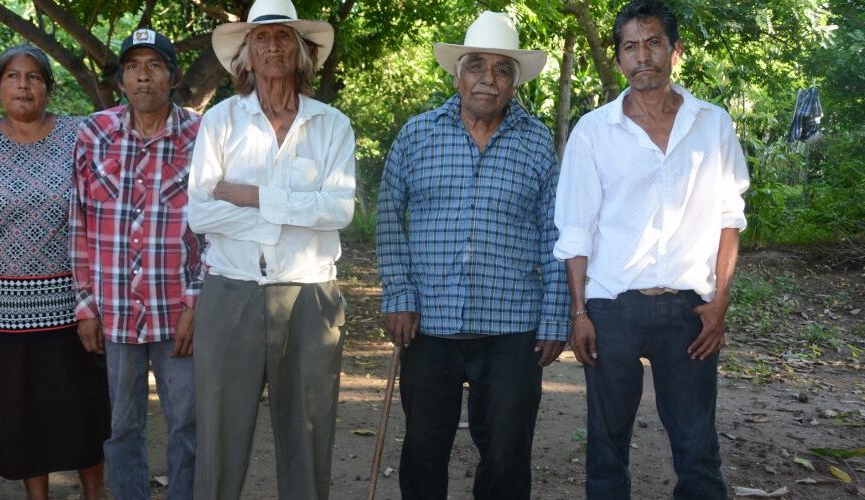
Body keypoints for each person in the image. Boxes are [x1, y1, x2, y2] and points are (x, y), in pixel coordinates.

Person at [553, 1, 750, 498]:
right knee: (606, 447)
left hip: (690, 311)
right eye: (631, 46)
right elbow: (575, 231)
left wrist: (720, 302)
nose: (643, 56)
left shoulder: (713, 125)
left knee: (698, 448)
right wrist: (579, 312)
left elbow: (729, 218)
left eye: (654, 43)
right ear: (620, 58)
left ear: (675, 51)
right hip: (612, 309)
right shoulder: (593, 132)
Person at [375, 11, 569, 500]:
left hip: (512, 326)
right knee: (423, 448)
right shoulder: (417, 134)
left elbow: (554, 232)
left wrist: (554, 318)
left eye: (502, 69)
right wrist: (399, 296)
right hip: (429, 322)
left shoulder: (537, 142)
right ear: (457, 76)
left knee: (507, 451)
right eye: (476, 66)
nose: (488, 79)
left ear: (515, 83)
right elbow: (388, 217)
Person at [187, 0, 355, 497]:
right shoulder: (220, 122)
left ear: (303, 52)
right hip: (230, 291)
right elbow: (201, 214)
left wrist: (253, 196)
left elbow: (338, 210)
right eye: (261, 38)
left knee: (308, 432)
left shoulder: (331, 124)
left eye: (284, 36)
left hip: (310, 295)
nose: (273, 46)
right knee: (218, 435)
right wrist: (291, 214)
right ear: (246, 55)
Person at [0, 44, 108, 499]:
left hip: (72, 307)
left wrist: (96, 299)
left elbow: (102, 215)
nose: (23, 85)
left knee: (84, 410)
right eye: (13, 77)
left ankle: (94, 494)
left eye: (34, 76)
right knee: (20, 414)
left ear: (49, 88)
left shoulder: (80, 134)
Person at [70, 28, 203, 500]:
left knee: (187, 425)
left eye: (154, 66)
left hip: (178, 311)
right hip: (114, 312)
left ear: (173, 77)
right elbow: (78, 222)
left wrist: (197, 302)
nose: (143, 76)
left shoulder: (201, 135)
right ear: (121, 80)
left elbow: (213, 228)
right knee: (121, 427)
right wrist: (85, 305)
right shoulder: (94, 133)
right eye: (132, 67)